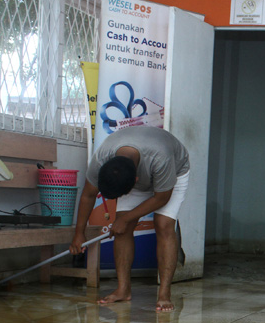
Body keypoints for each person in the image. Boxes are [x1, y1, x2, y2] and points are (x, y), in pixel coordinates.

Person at [71, 126, 190, 312]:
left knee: (164, 224)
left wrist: (125, 218)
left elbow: (161, 198)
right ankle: (123, 290)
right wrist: (79, 233)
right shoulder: (102, 158)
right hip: (135, 170)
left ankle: (164, 294)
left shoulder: (161, 157)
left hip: (175, 171)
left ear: (135, 181)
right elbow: (88, 195)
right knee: (123, 228)